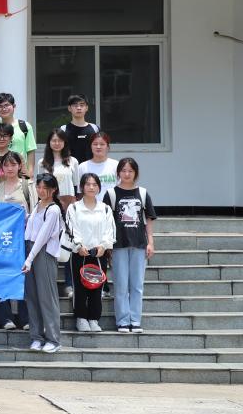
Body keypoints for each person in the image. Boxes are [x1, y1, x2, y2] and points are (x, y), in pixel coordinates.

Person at [107, 158, 157, 333]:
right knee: (120, 285)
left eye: (130, 171)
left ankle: (135, 320)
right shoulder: (111, 194)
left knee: (137, 285)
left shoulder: (143, 193)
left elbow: (149, 219)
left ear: (136, 173)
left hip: (139, 244)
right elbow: (106, 221)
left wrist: (151, 242)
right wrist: (107, 246)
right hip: (118, 244)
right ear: (118, 173)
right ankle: (122, 321)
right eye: (123, 170)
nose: (127, 174)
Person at [65, 172, 116, 333]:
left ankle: (94, 319)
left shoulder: (105, 209)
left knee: (97, 286)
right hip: (80, 253)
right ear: (82, 187)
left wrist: (104, 246)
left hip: (99, 254)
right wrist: (78, 246)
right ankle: (81, 319)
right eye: (88, 184)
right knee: (79, 287)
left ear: (99, 187)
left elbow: (110, 230)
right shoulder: (74, 207)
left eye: (94, 184)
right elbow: (70, 228)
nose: (91, 187)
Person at [0, 151, 33, 331]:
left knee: (24, 277)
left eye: (13, 164)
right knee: (1, 276)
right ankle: (5, 317)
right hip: (2, 240)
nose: (9, 168)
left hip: (23, 238)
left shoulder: (28, 186)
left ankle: (26, 317)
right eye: (6, 165)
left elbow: (35, 212)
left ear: (19, 166)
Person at [23, 174, 65, 354]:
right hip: (31, 251)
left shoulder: (53, 209)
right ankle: (37, 337)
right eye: (38, 187)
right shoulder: (37, 205)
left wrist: (29, 259)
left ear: (53, 189)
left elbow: (42, 237)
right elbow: (30, 229)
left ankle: (53, 339)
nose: (41, 191)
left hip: (44, 254)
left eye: (45, 188)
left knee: (47, 298)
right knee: (32, 296)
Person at [42, 129, 80, 301]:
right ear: (49, 143)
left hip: (69, 207)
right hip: (50, 207)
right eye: (53, 140)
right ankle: (50, 282)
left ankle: (69, 284)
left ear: (64, 143)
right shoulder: (43, 162)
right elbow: (40, 187)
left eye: (60, 140)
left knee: (68, 244)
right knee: (50, 243)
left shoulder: (73, 161)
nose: (56, 143)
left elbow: (76, 186)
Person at [0, 92, 36, 174]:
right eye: (0, 106)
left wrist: (30, 173)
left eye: (6, 105)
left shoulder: (25, 126)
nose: (4, 109)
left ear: (14, 106)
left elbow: (30, 151)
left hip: (20, 173)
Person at [59, 94, 100, 163]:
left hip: (91, 168)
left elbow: (101, 149)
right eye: (75, 105)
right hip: (70, 167)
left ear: (87, 108)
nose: (79, 108)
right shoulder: (63, 129)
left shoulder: (95, 128)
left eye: (82, 105)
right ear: (69, 108)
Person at [77, 132, 119, 197]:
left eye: (102, 144)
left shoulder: (116, 165)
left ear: (108, 147)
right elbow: (80, 192)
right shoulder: (82, 167)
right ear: (91, 147)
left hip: (111, 203)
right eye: (95, 144)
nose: (98, 147)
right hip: (89, 203)